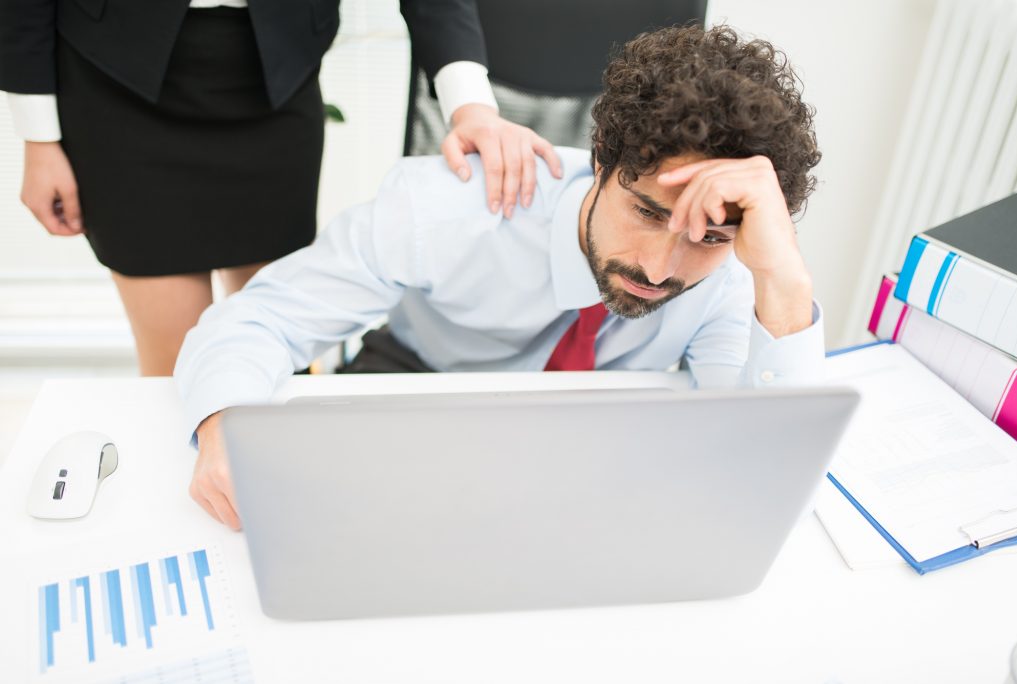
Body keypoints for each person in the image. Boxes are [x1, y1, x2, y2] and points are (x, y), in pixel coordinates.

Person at [175, 24, 825, 530]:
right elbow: (261, 319)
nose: (659, 271)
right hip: (417, 385)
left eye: (707, 238)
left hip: (589, 457)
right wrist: (226, 423)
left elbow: (755, 468)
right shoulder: (449, 208)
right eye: (648, 212)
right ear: (600, 161)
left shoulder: (737, 275)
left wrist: (786, 281)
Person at [0, 0, 559, 376]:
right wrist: (38, 135)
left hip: (272, 80)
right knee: (176, 370)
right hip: (116, 83)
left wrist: (471, 106)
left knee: (281, 359)